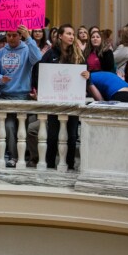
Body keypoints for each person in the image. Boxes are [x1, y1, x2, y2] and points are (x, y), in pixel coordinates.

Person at [34, 24, 89, 169]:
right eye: (68, 34)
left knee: (71, 135)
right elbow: (40, 72)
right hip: (54, 100)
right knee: (52, 134)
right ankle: (50, 163)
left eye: (72, 34)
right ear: (60, 36)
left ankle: (70, 164)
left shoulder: (78, 54)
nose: (72, 36)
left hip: (72, 100)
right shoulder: (50, 54)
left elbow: (86, 75)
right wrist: (39, 91)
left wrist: (87, 75)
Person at [0, 24, 42, 167]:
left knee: (24, 128)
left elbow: (38, 58)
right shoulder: (0, 53)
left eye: (14, 35)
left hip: (23, 96)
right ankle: (13, 157)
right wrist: (0, 79)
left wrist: (29, 38)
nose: (11, 38)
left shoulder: (27, 49)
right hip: (5, 95)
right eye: (8, 35)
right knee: (9, 127)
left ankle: (26, 156)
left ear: (20, 35)